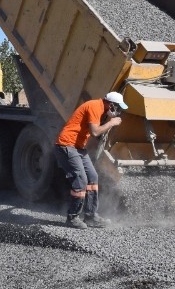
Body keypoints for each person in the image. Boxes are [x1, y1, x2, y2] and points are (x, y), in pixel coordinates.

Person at [53, 91, 127, 228]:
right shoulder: (94, 107)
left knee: (92, 177)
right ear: (111, 105)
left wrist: (109, 118)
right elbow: (95, 132)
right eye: (118, 108)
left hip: (78, 147)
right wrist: (111, 122)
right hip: (66, 146)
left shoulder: (100, 109)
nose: (118, 111)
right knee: (81, 180)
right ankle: (72, 217)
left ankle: (91, 216)